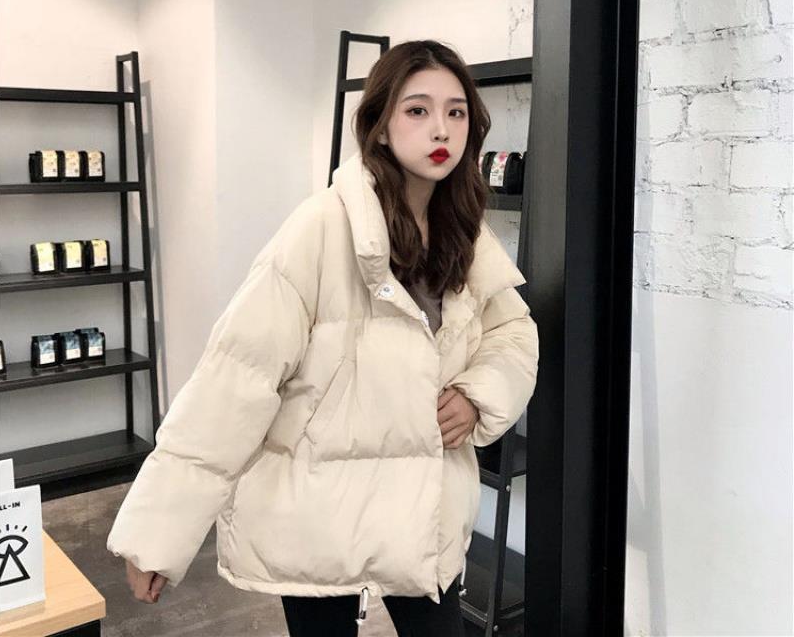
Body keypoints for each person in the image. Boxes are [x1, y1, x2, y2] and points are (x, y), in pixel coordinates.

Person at [107, 39, 540, 636]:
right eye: (417, 110)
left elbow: (514, 332)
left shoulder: (464, 232)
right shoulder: (320, 228)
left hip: (425, 515)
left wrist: (477, 394)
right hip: (317, 512)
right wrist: (159, 532)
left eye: (456, 111)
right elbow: (235, 380)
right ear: (380, 125)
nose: (441, 128)